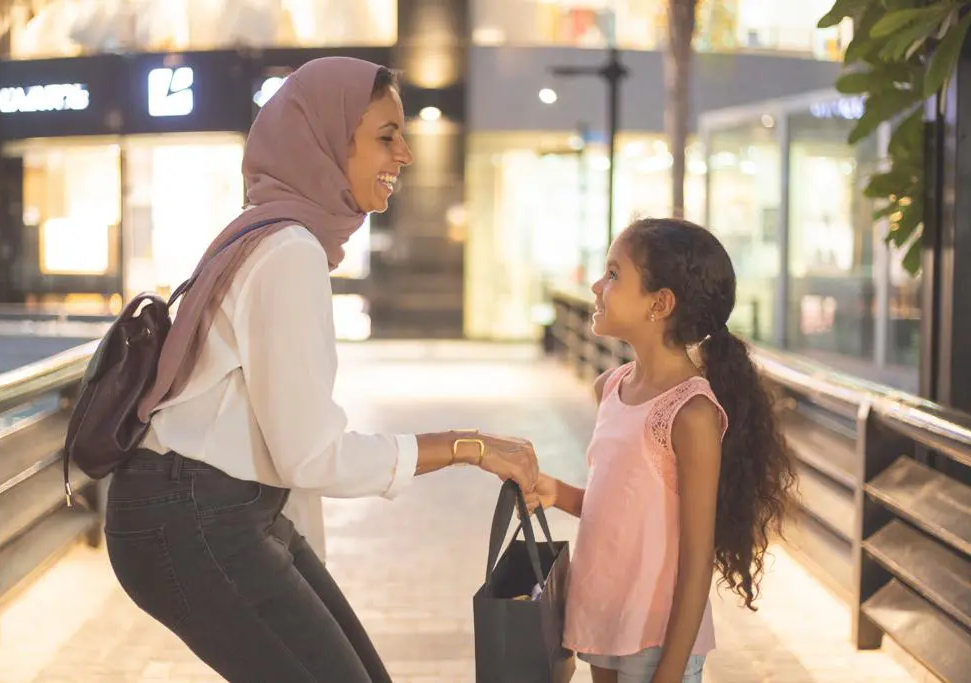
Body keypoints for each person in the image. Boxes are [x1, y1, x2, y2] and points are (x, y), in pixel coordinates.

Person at [104, 56, 539, 683]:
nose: (406, 155)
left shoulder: (267, 234)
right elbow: (311, 455)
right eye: (386, 136)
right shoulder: (288, 252)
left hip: (217, 507)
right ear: (328, 141)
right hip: (191, 515)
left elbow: (287, 457)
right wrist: (467, 447)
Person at [528, 218, 796, 683]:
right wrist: (554, 491)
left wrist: (671, 671)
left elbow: (696, 560)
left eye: (613, 275)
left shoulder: (690, 413)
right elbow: (619, 509)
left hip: (657, 640)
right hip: (603, 623)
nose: (596, 285)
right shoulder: (609, 388)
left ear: (660, 303)